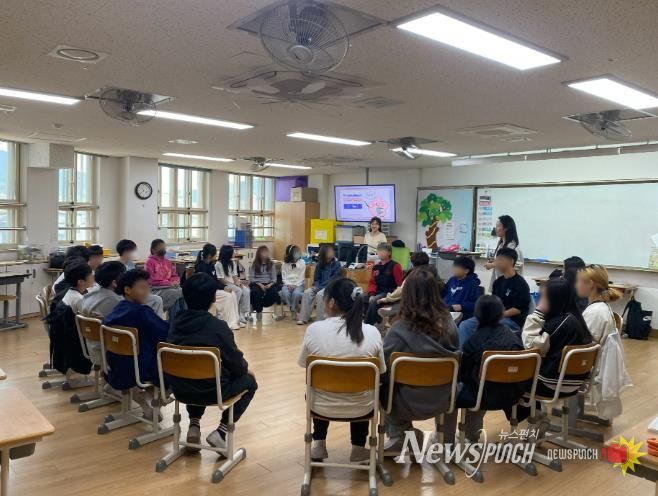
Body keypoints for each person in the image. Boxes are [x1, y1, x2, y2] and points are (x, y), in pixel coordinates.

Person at [297, 278, 386, 463]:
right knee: (365, 388)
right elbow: (381, 370)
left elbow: (304, 363)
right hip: (363, 407)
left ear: (331, 302)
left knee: (317, 387)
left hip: (320, 406)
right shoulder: (372, 332)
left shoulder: (314, 330)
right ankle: (358, 448)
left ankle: (319, 444)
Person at [168, 273, 258, 449]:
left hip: (178, 388)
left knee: (193, 371)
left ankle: (194, 425)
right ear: (214, 298)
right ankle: (221, 432)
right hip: (212, 391)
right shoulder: (218, 327)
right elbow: (235, 362)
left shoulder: (175, 323)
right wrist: (245, 370)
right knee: (250, 382)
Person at [380, 267, 459, 452]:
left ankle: (401, 433)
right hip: (444, 398)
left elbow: (382, 368)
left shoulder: (398, 329)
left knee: (381, 386)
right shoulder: (450, 325)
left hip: (404, 402)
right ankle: (446, 440)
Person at [450, 295, 524, 442]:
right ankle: (471, 435)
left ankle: (458, 437)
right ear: (501, 313)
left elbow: (464, 375)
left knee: (461, 387)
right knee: (482, 383)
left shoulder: (473, 343)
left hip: (484, 396)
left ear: (477, 315)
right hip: (513, 394)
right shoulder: (513, 338)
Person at [104, 270, 169, 418]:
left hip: (116, 365)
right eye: (142, 287)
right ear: (127, 290)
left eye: (148, 287)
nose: (147, 291)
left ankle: (146, 402)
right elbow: (165, 333)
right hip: (139, 368)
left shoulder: (117, 309)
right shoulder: (142, 312)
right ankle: (159, 400)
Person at [522, 278, 592, 398]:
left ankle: (527, 410)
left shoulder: (561, 323)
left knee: (511, 379)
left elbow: (531, 347)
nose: (539, 300)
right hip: (574, 383)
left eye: (543, 297)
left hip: (552, 384)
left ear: (554, 299)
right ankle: (533, 409)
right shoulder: (574, 318)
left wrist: (537, 313)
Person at [458, 248, 530, 345]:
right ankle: (463, 353)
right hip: (495, 317)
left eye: (500, 260)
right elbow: (493, 304)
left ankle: (481, 353)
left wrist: (496, 316)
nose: (496, 263)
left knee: (486, 329)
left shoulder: (520, 284)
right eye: (497, 260)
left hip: (512, 321)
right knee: (465, 325)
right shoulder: (498, 282)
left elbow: (517, 310)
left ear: (511, 261)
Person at [47, 262, 96, 376]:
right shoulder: (79, 300)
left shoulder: (70, 293)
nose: (93, 276)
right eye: (90, 275)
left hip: (67, 341)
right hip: (77, 345)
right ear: (81, 282)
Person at [194, 243, 242, 330]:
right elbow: (209, 282)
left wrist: (224, 286)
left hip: (214, 288)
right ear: (210, 255)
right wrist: (223, 287)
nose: (216, 255)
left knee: (233, 294)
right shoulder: (201, 266)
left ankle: (235, 320)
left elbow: (215, 280)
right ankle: (229, 322)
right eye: (215, 254)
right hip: (207, 291)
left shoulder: (211, 265)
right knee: (227, 296)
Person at [376, 251, 433, 321]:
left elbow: (401, 290)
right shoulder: (432, 271)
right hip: (430, 302)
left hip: (416, 302)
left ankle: (393, 310)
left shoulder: (414, 274)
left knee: (402, 300)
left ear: (413, 263)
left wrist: (387, 299)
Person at [116, 239, 164, 317]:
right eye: (133, 251)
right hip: (125, 294)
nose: (134, 253)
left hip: (135, 290)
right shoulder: (117, 266)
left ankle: (155, 320)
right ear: (126, 252)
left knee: (157, 299)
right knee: (156, 300)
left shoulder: (131, 264)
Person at [575, 264, 621, 344]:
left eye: (578, 281)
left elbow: (585, 344)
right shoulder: (601, 306)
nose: (576, 285)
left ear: (590, 284)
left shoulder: (595, 312)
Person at [298, 244, 342, 325]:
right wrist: (316, 286)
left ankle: (320, 320)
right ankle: (304, 318)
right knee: (307, 293)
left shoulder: (337, 264)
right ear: (324, 254)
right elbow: (316, 278)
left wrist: (319, 287)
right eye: (329, 251)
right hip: (319, 287)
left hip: (331, 287)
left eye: (332, 251)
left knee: (320, 294)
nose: (332, 252)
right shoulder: (319, 265)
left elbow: (333, 280)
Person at [364, 243, 403, 325]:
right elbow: (372, 282)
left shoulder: (395, 266)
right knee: (360, 298)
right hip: (377, 291)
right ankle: (374, 318)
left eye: (383, 250)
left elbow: (400, 285)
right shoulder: (376, 267)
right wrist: (371, 294)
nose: (380, 252)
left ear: (389, 253)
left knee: (374, 301)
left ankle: (367, 325)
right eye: (379, 250)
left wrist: (393, 296)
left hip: (389, 293)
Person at [484, 215, 523, 291]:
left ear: (506, 228)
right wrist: (494, 261)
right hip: (501, 282)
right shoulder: (501, 245)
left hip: (511, 285)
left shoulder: (513, 247)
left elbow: (515, 265)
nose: (496, 229)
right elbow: (501, 261)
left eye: (498, 226)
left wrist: (493, 264)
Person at [144, 239, 183, 312]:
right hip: (155, 288)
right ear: (153, 250)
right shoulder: (149, 262)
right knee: (175, 293)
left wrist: (175, 281)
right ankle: (174, 318)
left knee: (184, 292)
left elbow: (174, 275)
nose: (163, 249)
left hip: (169, 286)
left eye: (164, 247)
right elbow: (151, 280)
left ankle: (182, 316)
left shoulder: (167, 262)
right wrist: (169, 283)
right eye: (161, 247)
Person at [216, 244, 250, 325]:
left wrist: (238, 283)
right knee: (238, 291)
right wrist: (234, 285)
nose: (234, 253)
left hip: (233, 283)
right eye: (233, 252)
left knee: (246, 291)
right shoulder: (218, 264)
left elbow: (234, 275)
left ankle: (242, 313)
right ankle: (234, 313)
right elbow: (220, 279)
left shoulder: (232, 262)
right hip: (226, 284)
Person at [442, 256, 481, 320]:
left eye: (457, 267)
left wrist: (462, 306)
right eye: (454, 266)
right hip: (447, 311)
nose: (454, 269)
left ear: (466, 271)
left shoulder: (472, 284)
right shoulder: (452, 280)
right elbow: (444, 294)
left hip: (462, 315)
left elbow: (476, 303)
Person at [249, 246, 280, 320]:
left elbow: (274, 278)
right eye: (263, 252)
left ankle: (258, 306)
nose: (265, 253)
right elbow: (252, 278)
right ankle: (259, 311)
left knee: (274, 293)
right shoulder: (254, 264)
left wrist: (270, 284)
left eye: (266, 252)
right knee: (254, 292)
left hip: (269, 283)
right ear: (259, 254)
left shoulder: (271, 264)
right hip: (257, 283)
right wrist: (260, 285)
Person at [281, 244, 306, 320]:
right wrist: (288, 285)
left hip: (299, 284)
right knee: (285, 293)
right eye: (296, 252)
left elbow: (301, 276)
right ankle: (293, 308)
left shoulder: (302, 263)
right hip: (287, 284)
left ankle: (293, 309)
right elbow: (284, 276)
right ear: (291, 254)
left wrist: (295, 285)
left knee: (296, 293)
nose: (298, 253)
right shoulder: (284, 264)